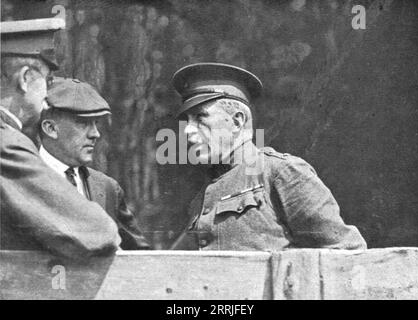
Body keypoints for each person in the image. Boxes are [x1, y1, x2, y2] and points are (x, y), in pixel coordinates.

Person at [170, 62, 367, 250]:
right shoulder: (204, 197)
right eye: (187, 120)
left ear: (237, 121)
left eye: (200, 117)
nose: (188, 130)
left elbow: (346, 251)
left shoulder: (281, 173)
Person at [0, 18, 121, 259]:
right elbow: (98, 232)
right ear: (24, 79)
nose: (45, 98)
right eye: (45, 81)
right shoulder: (6, 144)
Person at [39, 77, 150, 250]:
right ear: (51, 129)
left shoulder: (107, 188)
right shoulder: (17, 180)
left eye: (96, 123)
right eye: (83, 123)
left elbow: (141, 257)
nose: (95, 134)